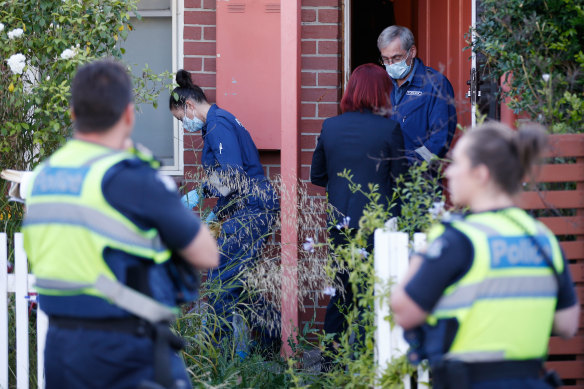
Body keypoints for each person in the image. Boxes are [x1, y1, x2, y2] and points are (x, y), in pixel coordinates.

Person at [21, 60, 219, 389]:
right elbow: (206, 254)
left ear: (73, 114)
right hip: (123, 352)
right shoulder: (130, 176)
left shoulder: (44, 177)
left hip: (59, 349)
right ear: (128, 115)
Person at [391, 122, 580, 389]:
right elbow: (567, 324)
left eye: (457, 163)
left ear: (480, 174)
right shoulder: (542, 238)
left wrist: (422, 255)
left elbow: (403, 310)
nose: (450, 172)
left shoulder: (458, 239)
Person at [168, 69, 280, 355]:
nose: (185, 126)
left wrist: (200, 193)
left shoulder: (218, 125)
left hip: (254, 207)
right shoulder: (220, 122)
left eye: (182, 119)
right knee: (238, 278)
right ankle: (270, 339)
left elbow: (232, 176)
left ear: (189, 106)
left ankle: (220, 356)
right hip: (251, 206)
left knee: (221, 280)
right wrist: (216, 214)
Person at [311, 63, 409, 369]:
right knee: (373, 292)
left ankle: (330, 362)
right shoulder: (390, 129)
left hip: (341, 223)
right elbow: (401, 181)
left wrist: (343, 187)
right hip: (379, 226)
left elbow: (317, 175)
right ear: (381, 92)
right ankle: (369, 361)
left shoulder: (330, 127)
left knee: (341, 291)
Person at [377, 25, 457, 166]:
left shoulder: (435, 84)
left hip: (420, 181)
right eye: (385, 59)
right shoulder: (380, 83)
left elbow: (440, 139)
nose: (390, 64)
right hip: (385, 179)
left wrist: (409, 164)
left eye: (396, 58)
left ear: (412, 52)